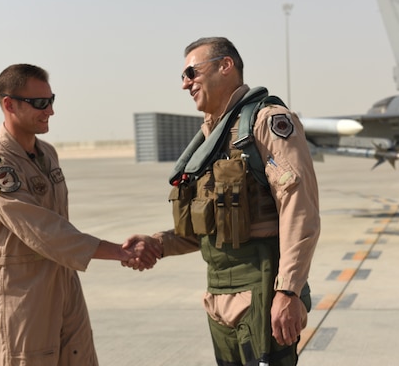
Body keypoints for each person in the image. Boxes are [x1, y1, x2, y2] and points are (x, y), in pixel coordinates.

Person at [124, 37, 320, 365]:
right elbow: (206, 228)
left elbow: (299, 208)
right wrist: (156, 244)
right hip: (218, 297)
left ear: (225, 66)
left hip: (261, 290)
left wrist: (288, 291)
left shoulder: (265, 122)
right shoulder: (211, 139)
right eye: (183, 77)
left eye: (191, 72)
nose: (185, 84)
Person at [0, 64, 160, 366]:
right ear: (9, 104)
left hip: (64, 281)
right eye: (39, 103)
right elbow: (45, 231)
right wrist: (121, 252)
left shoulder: (47, 154)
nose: (50, 111)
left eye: (51, 100)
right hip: (23, 291)